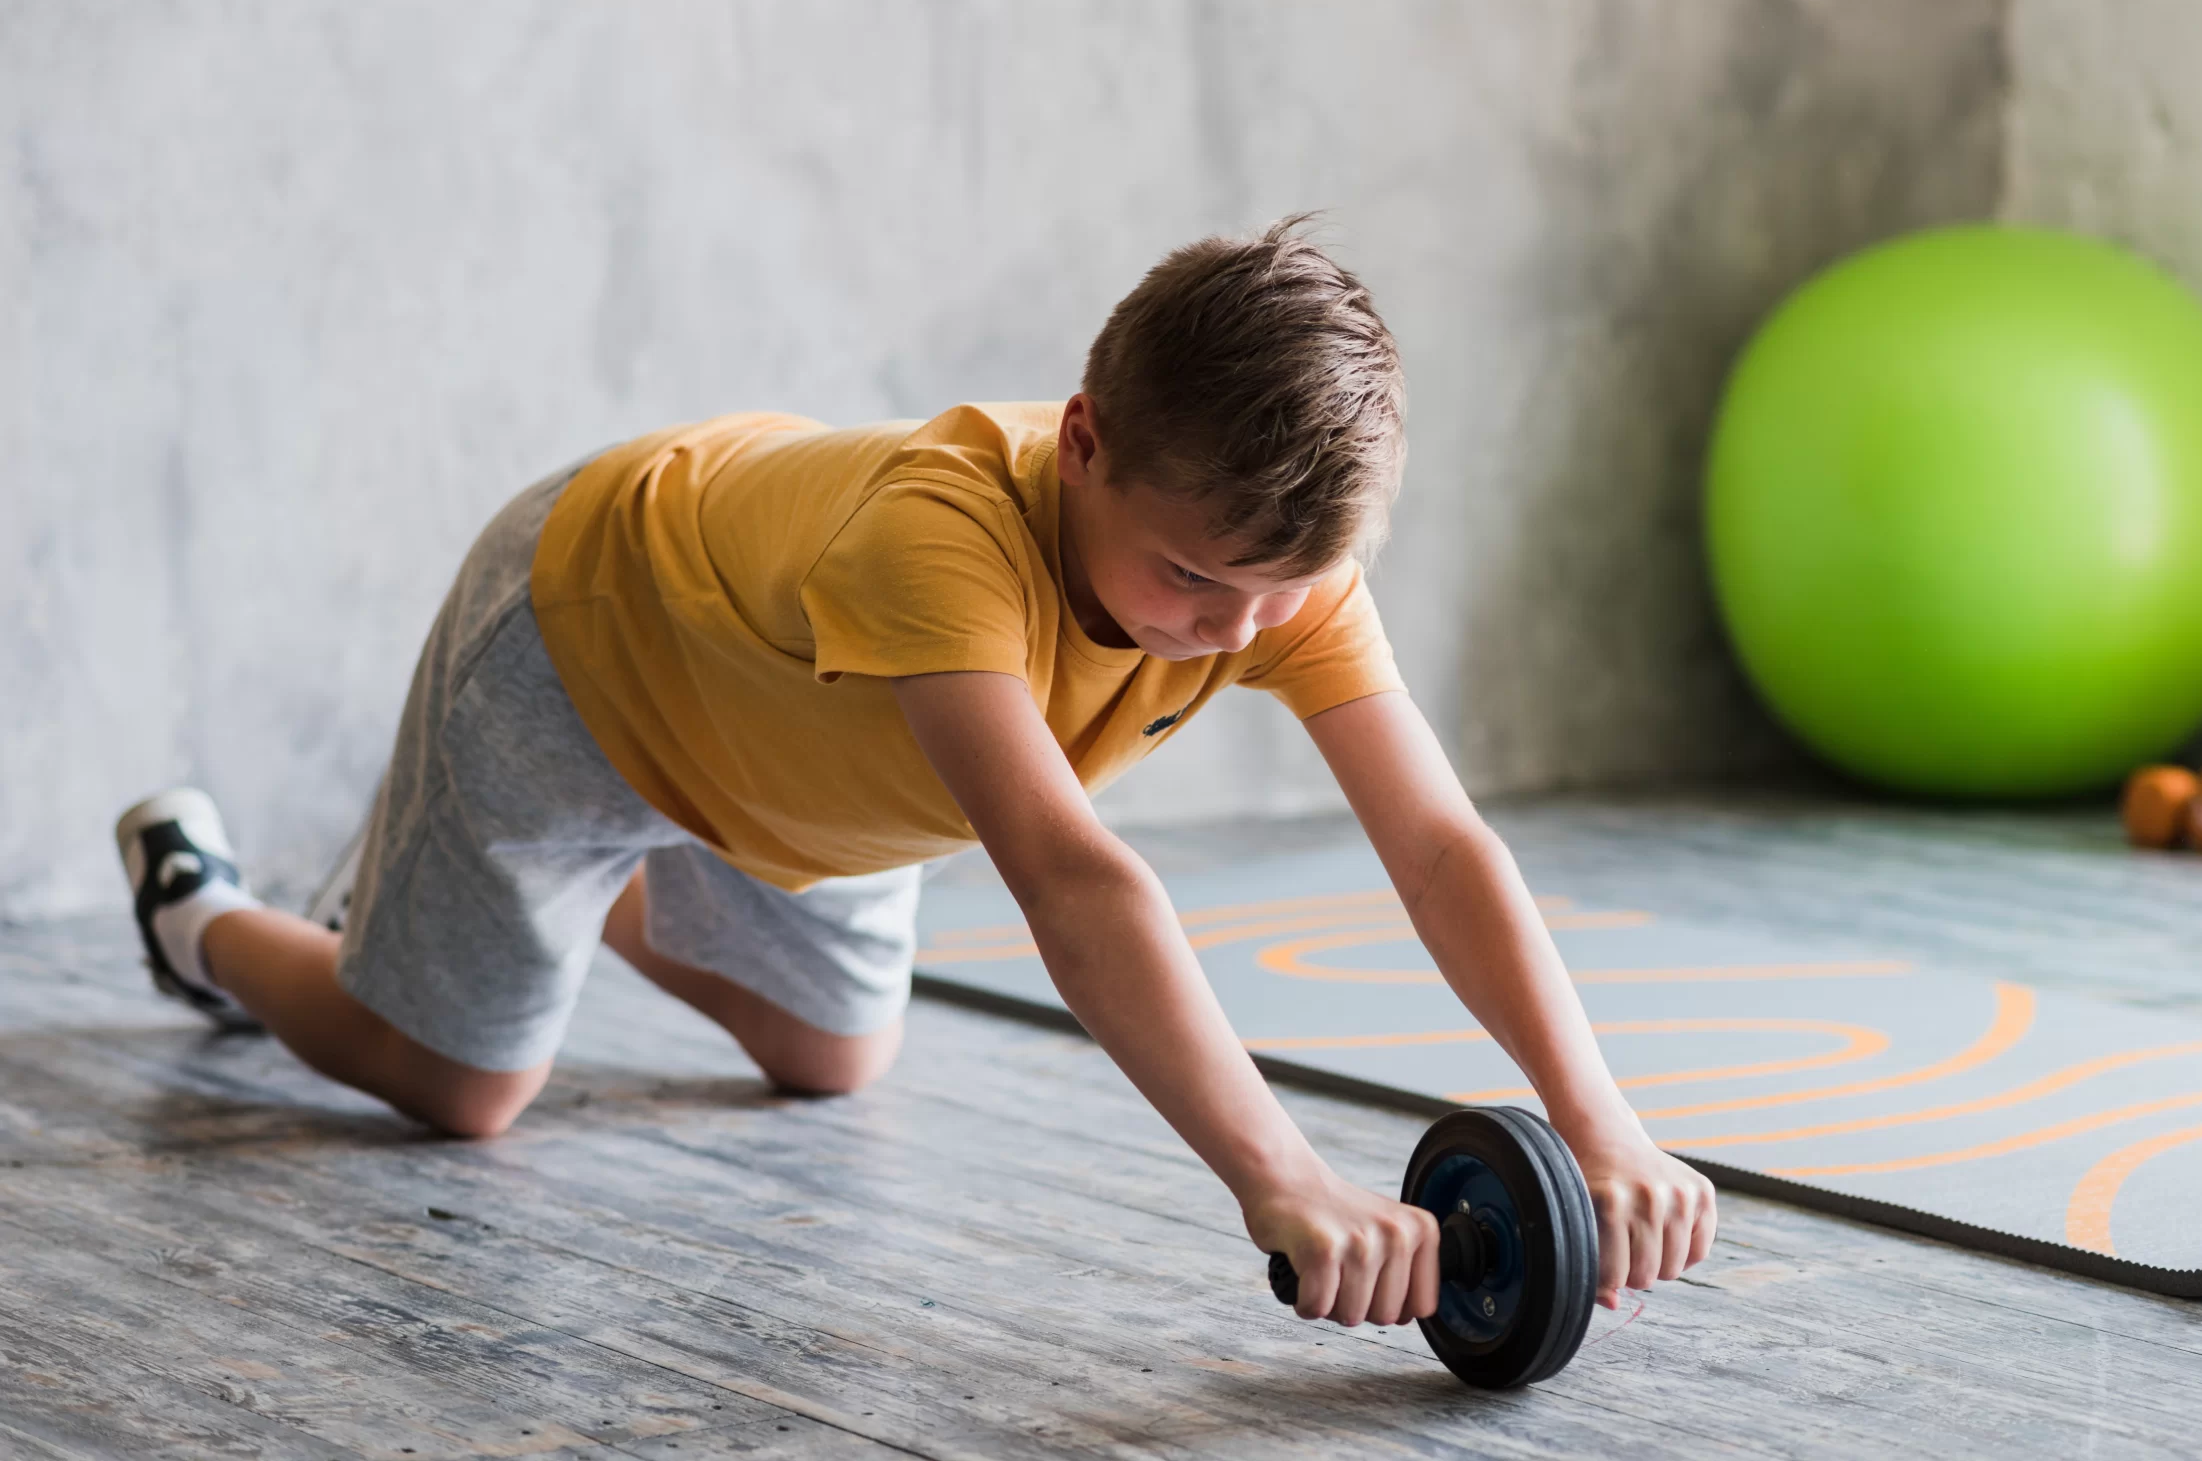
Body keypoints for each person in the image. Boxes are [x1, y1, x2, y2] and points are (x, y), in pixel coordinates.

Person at [113, 218, 1716, 1331]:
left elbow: (1437, 845)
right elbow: (1072, 878)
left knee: (834, 1063)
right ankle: (205, 908)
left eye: (1275, 597)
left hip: (798, 759)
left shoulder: (1274, 574)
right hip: (587, 652)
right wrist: (1285, 1180)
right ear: (1083, 441)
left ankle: (533, 899)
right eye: (1187, 586)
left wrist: (1604, 1128)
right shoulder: (941, 543)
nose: (1229, 637)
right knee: (465, 1093)